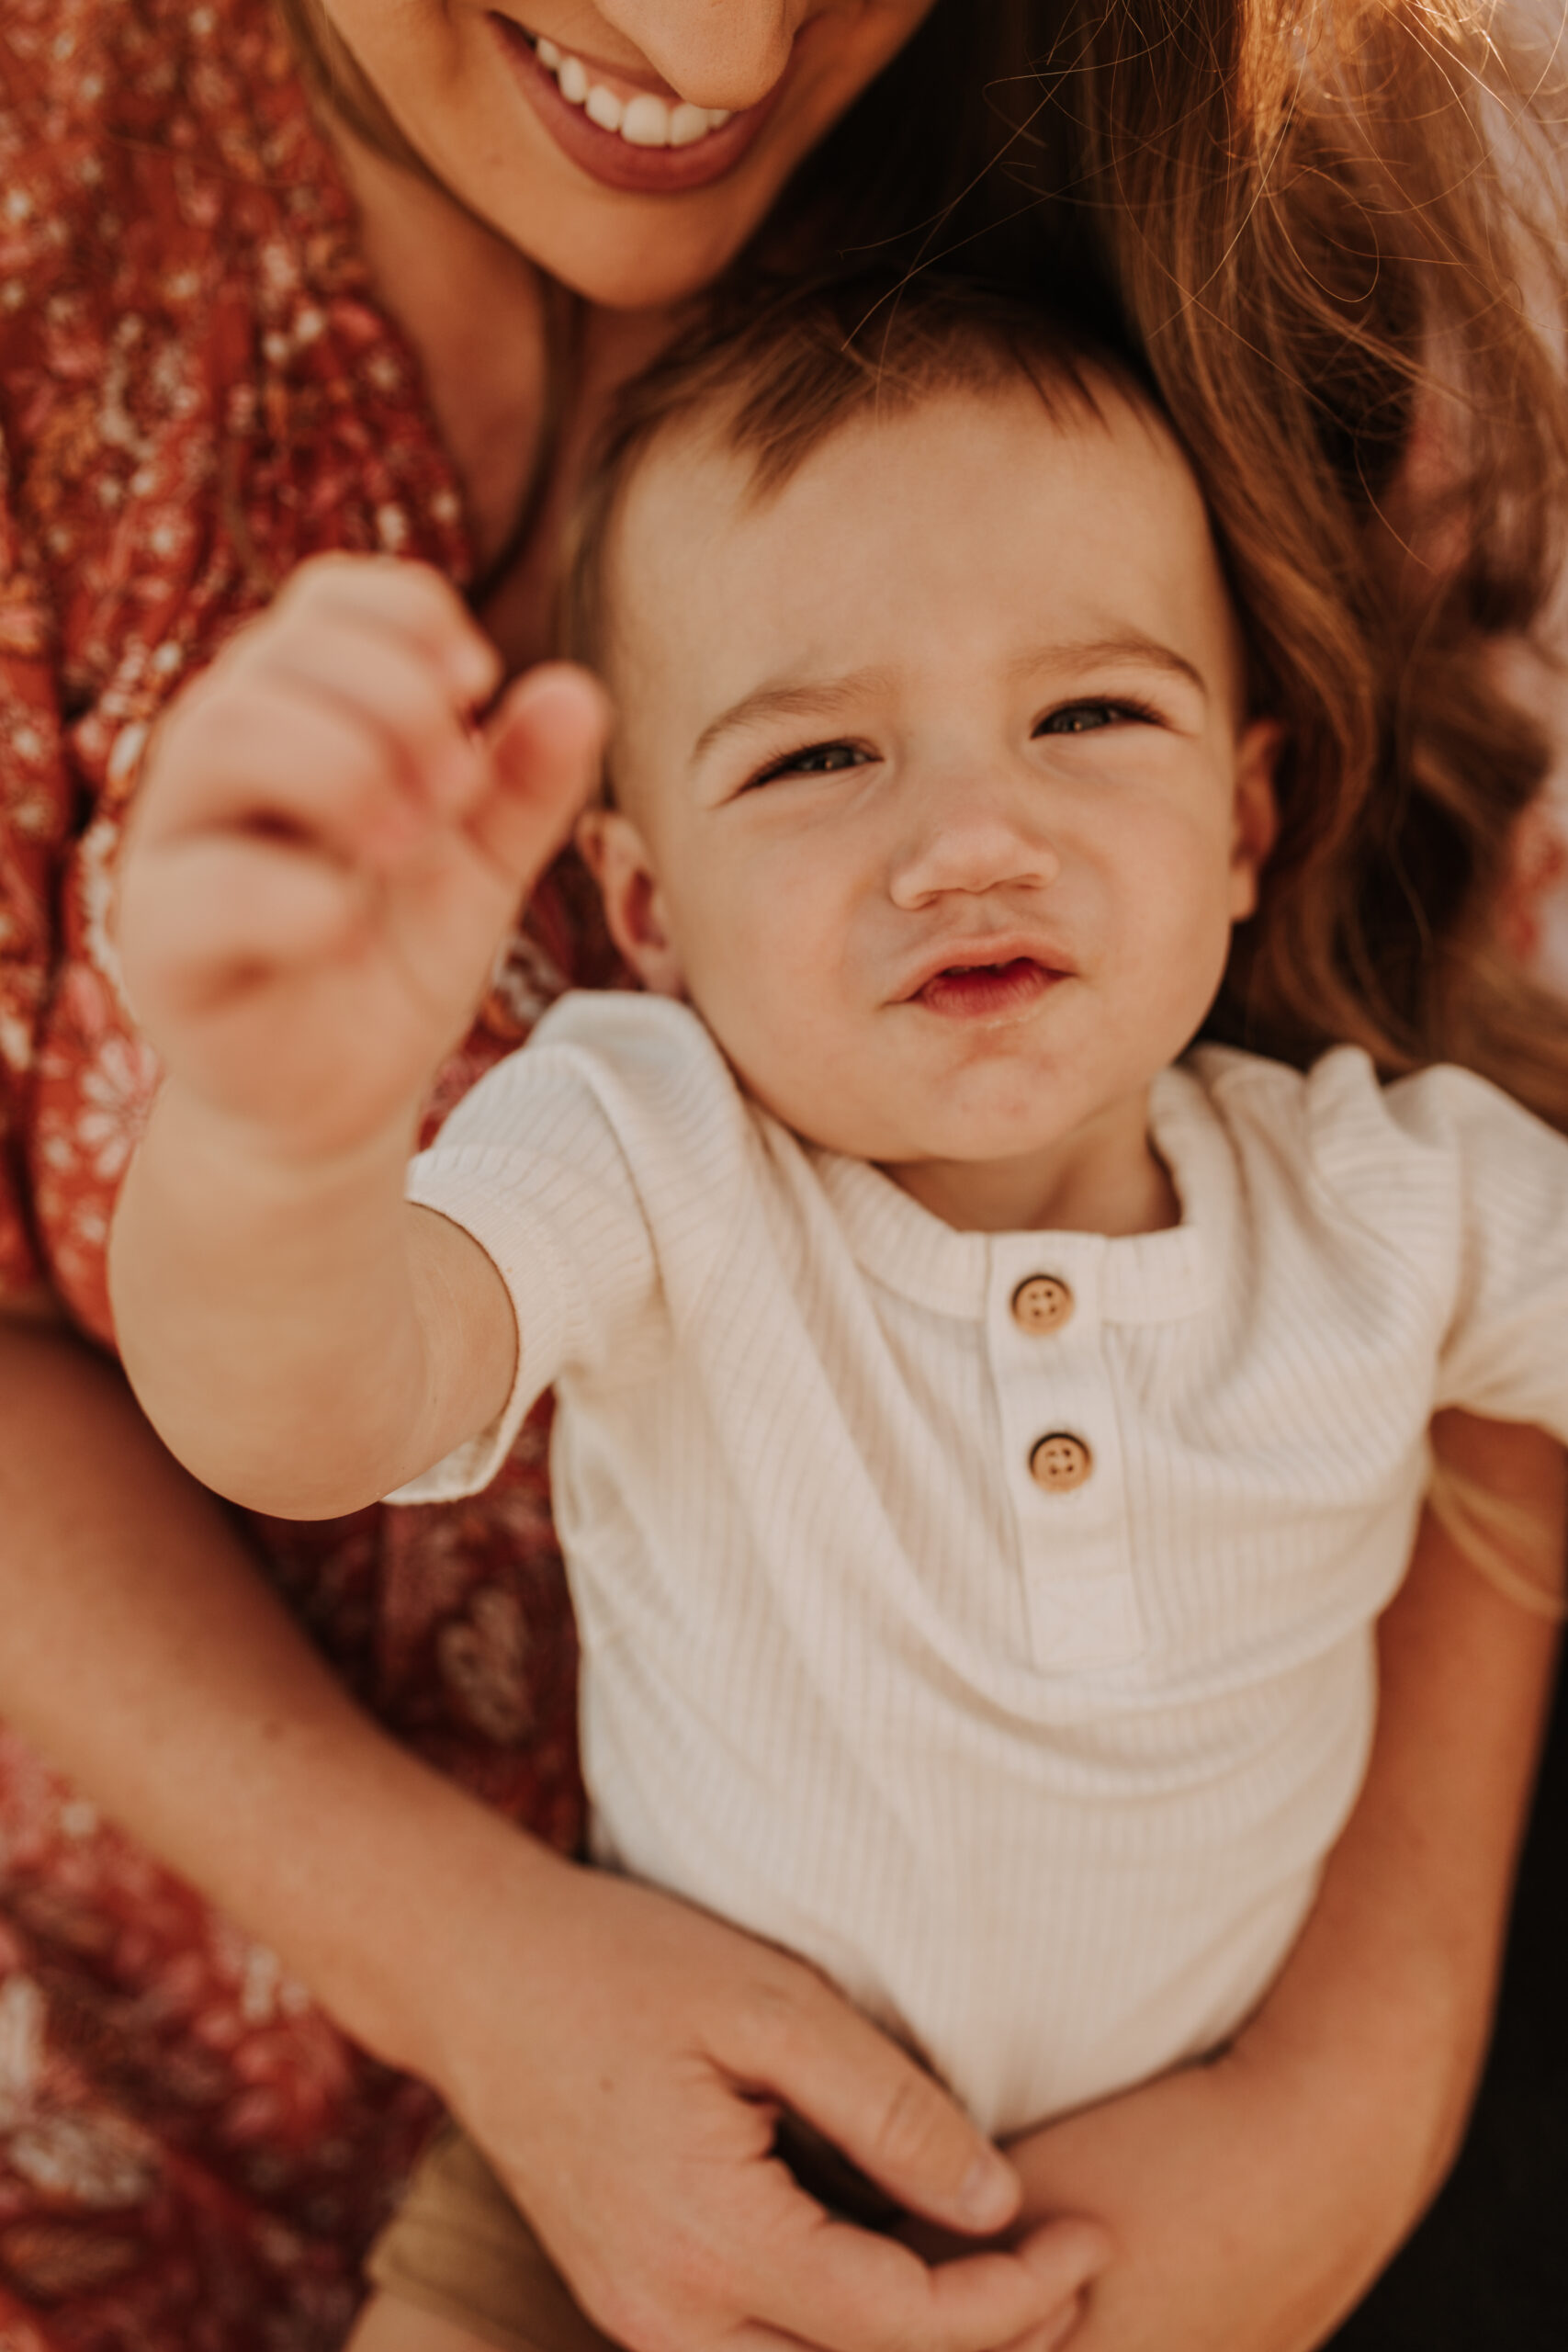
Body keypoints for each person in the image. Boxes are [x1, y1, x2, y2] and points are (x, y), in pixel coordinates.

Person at [1, 1, 1565, 2347]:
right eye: (819, 752)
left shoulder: (1384, 1199)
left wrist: (1354, 2086)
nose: (971, 835)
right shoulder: (650, 1150)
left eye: (1088, 716)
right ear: (633, 905)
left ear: (1248, 817)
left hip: (1168, 2196)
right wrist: (286, 1134)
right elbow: (308, 1397)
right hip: (505, 2210)